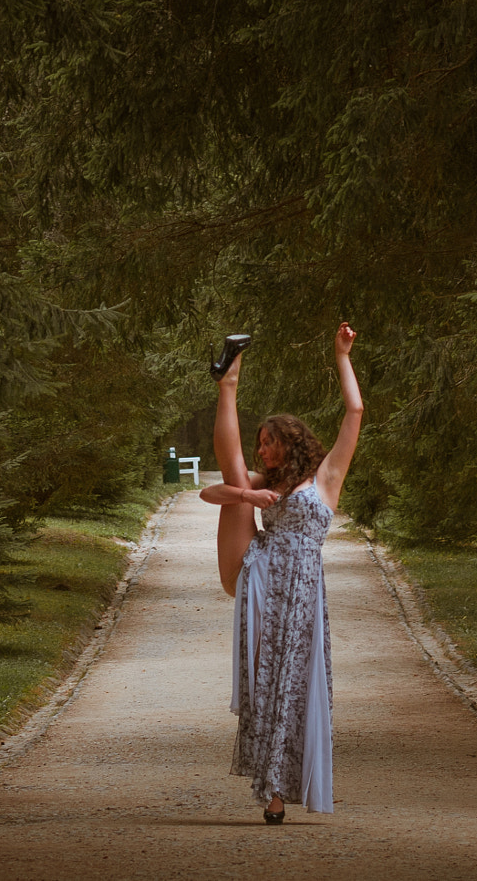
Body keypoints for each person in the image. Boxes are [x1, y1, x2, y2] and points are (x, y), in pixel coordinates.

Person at [197, 322, 363, 824]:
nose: (262, 452)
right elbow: (210, 494)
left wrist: (341, 356)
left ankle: (274, 795)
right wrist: (248, 495)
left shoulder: (327, 478)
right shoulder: (264, 480)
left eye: (268, 444)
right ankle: (228, 380)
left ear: (290, 443)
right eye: (259, 443)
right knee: (232, 478)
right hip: (259, 576)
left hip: (303, 596)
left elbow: (355, 411)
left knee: (289, 686)